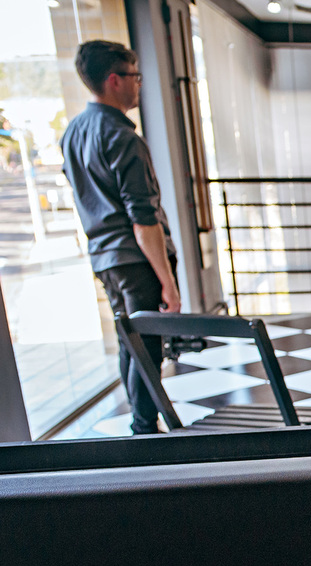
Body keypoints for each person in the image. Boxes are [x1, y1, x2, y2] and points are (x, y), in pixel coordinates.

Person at [61, 40, 181, 436]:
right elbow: (143, 220)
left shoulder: (74, 132)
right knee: (146, 347)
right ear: (114, 80)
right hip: (134, 260)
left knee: (129, 344)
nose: (139, 84)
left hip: (105, 259)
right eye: (135, 76)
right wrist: (167, 282)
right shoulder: (123, 138)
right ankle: (144, 432)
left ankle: (141, 427)